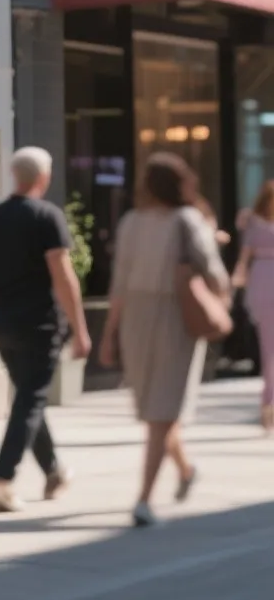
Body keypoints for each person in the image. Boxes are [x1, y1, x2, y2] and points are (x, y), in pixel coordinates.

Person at [102, 153, 230, 527]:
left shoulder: (147, 222)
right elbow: (216, 273)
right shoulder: (170, 220)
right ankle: (186, 470)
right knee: (156, 409)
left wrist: (111, 333)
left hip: (162, 317)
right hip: (162, 315)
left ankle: (144, 499)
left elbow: (120, 285)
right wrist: (221, 303)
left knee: (161, 409)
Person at [0, 146, 92, 513]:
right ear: (44, 177)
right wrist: (81, 329)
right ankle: (1, 480)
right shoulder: (47, 216)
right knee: (31, 399)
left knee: (27, 399)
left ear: (13, 175)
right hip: (39, 325)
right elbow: (64, 277)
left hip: (1, 324)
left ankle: (53, 471)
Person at [233, 180, 274, 433]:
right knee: (269, 347)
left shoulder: (252, 222)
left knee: (270, 347)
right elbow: (244, 257)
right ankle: (269, 400)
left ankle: (268, 401)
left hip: (262, 279)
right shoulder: (253, 223)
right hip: (263, 283)